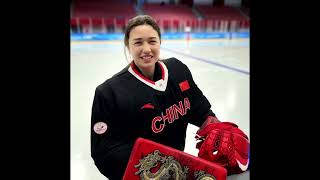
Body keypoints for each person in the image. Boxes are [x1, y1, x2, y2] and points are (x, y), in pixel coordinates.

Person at [90, 15, 240, 180]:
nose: (146, 49)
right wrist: (154, 170)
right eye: (138, 42)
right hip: (144, 173)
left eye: (152, 41)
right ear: (128, 45)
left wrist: (212, 124)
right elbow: (104, 152)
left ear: (160, 42)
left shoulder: (178, 70)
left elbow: (197, 106)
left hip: (178, 171)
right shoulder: (109, 92)